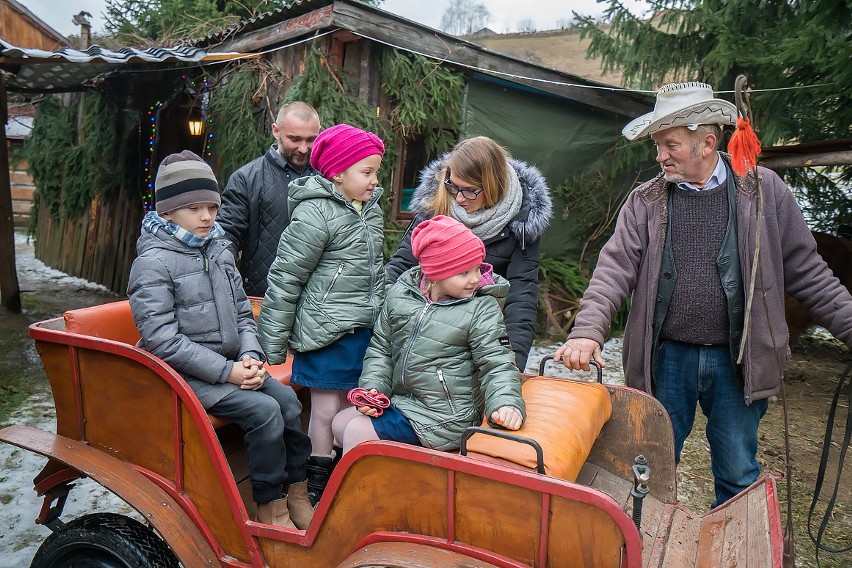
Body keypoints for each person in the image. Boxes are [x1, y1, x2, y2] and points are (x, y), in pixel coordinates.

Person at [554, 82, 852, 508]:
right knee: (649, 471)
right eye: (657, 146)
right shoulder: (646, 200)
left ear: (707, 142)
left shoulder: (763, 192)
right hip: (667, 359)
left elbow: (810, 274)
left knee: (737, 472)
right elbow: (613, 271)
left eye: (669, 145)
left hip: (739, 360)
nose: (660, 157)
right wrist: (587, 331)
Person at [127, 151, 313, 529]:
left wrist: (250, 356)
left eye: (212, 207)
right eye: (194, 208)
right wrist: (228, 372)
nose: (207, 217)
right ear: (167, 212)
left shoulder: (219, 250)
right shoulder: (153, 263)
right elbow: (162, 341)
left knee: (289, 403)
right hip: (185, 375)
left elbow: (244, 314)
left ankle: (297, 491)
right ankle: (268, 508)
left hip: (233, 366)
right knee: (264, 413)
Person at [258, 124, 387, 506]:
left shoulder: (371, 211)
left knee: (351, 404)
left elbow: (375, 270)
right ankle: (313, 481)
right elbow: (286, 277)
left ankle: (342, 476)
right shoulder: (316, 214)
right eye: (367, 172)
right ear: (337, 172)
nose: (374, 180)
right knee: (325, 408)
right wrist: (273, 342)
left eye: (376, 171)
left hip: (361, 328)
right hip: (324, 330)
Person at [332, 215, 526, 455]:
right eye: (464, 272)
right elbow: (381, 349)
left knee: (356, 431)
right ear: (434, 273)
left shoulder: (480, 308)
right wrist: (374, 390)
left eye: (478, 268)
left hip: (446, 417)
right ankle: (390, 482)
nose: (475, 279)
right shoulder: (402, 295)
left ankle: (357, 492)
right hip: (403, 402)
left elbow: (497, 363)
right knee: (339, 424)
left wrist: (506, 403)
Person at [385, 136, 552, 372]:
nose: (459, 197)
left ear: (493, 184)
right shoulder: (435, 203)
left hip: (480, 340)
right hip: (423, 336)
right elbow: (402, 264)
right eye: (453, 186)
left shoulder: (522, 223)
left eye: (470, 191)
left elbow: (521, 295)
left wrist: (511, 366)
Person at [218, 101, 321, 297]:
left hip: (316, 300)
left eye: (310, 140)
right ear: (276, 131)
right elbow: (226, 237)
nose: (303, 148)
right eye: (294, 139)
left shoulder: (328, 178)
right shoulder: (247, 178)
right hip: (262, 297)